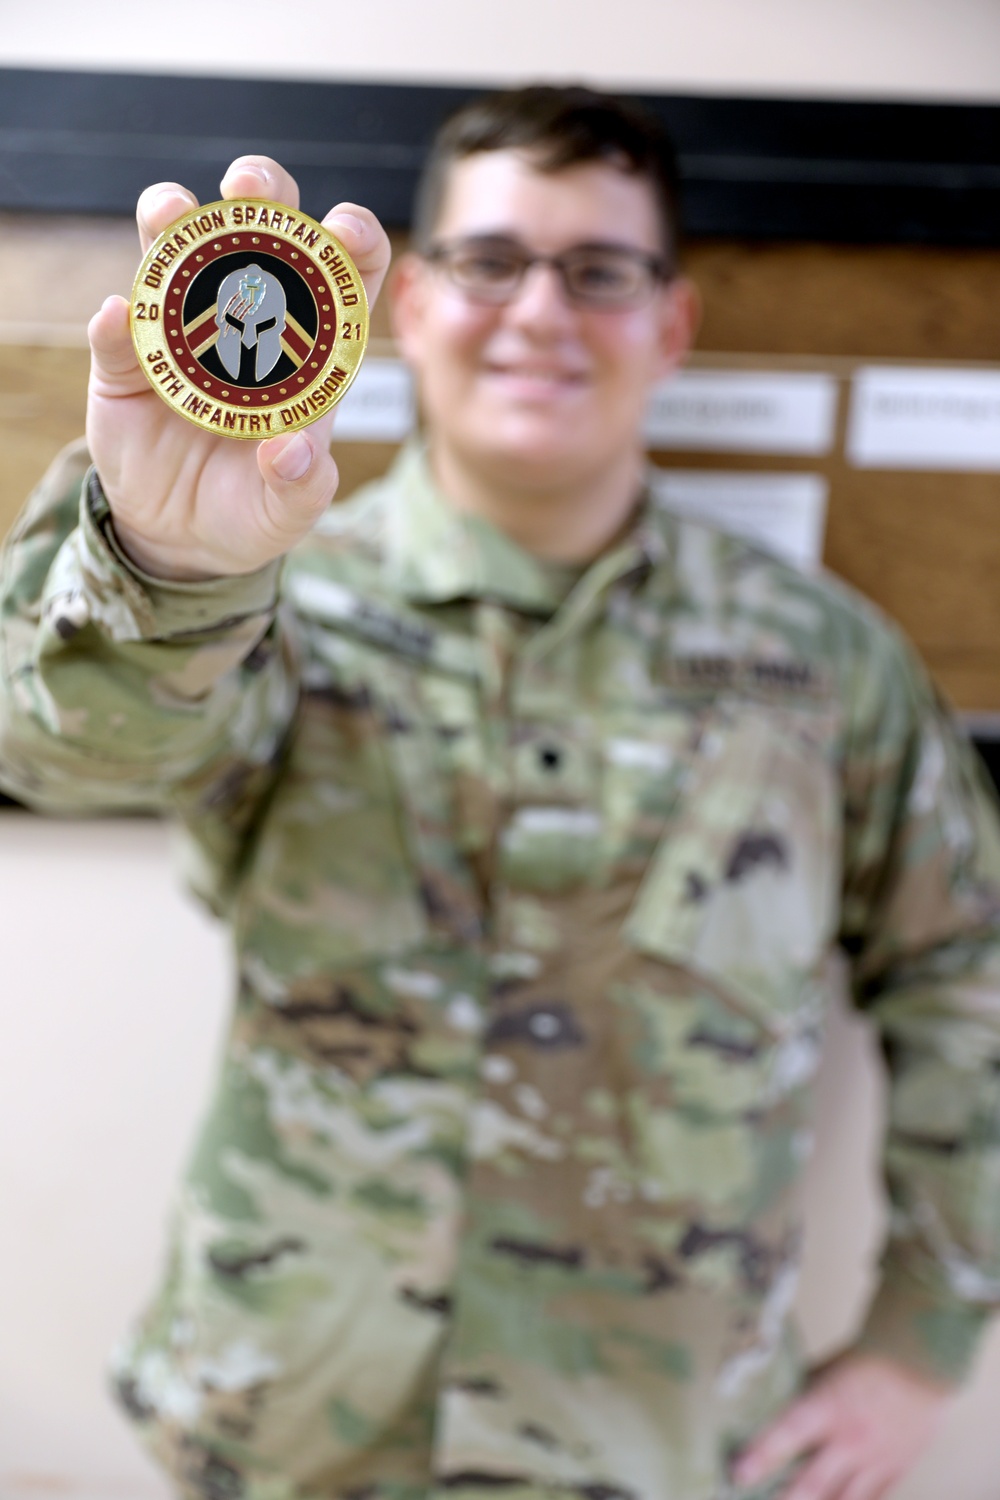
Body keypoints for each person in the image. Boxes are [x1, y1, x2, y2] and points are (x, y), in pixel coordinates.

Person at [1, 84, 998, 1500]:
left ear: (673, 324)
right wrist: (170, 574)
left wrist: (927, 1335)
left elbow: (972, 970)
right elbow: (63, 755)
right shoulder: (284, 606)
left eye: (601, 271)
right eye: (488, 261)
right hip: (288, 1432)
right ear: (409, 307)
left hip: (657, 1448)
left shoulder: (824, 664)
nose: (540, 312)